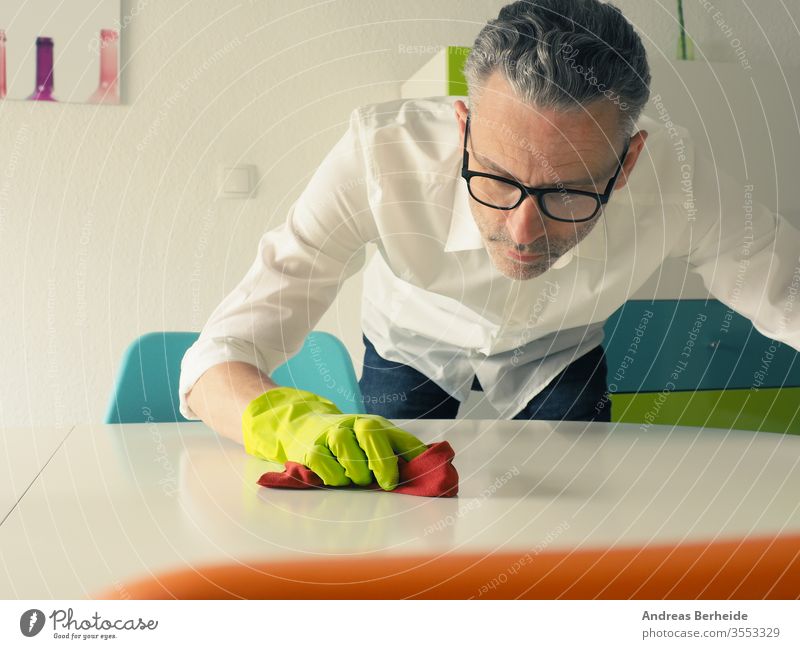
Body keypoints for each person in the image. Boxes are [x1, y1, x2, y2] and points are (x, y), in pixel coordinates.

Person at [179, 0, 800, 490]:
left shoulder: (677, 179)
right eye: (498, 179)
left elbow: (788, 291)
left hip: (558, 348)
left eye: (570, 193)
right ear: (462, 126)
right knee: (397, 517)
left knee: (584, 515)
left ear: (629, 162)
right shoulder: (380, 155)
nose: (524, 235)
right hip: (410, 341)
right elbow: (215, 357)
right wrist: (285, 423)